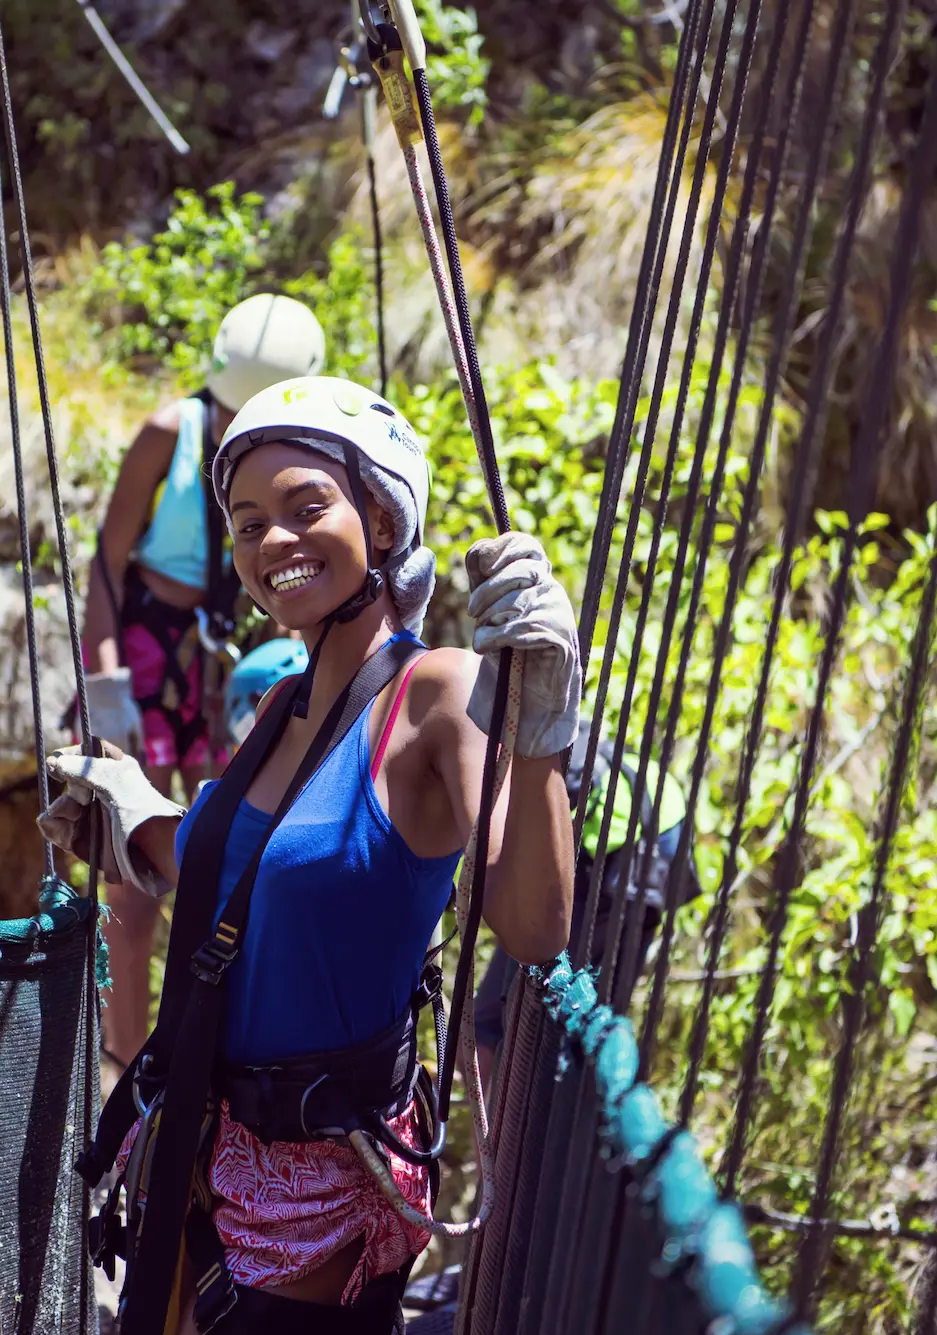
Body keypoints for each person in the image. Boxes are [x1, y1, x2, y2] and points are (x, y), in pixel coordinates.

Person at [42, 376, 581, 1332]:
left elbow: (534, 924)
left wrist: (535, 734)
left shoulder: (436, 696)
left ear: (379, 517)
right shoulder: (282, 708)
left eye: (305, 508)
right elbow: (252, 874)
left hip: (318, 1202)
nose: (272, 544)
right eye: (247, 525)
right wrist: (134, 826)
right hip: (205, 1168)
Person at [81, 293, 328, 1065]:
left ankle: (201, 1060)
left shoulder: (291, 453)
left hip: (223, 669)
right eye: (225, 412)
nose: (231, 429)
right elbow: (106, 562)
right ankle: (126, 1073)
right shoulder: (171, 434)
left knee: (219, 863)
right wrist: (107, 687)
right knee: (132, 879)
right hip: (148, 659)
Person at [472, 739, 694, 1084]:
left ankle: (493, 1130)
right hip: (648, 892)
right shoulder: (641, 772)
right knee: (595, 1023)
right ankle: (572, 1116)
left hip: (600, 882)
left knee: (487, 1027)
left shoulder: (550, 764)